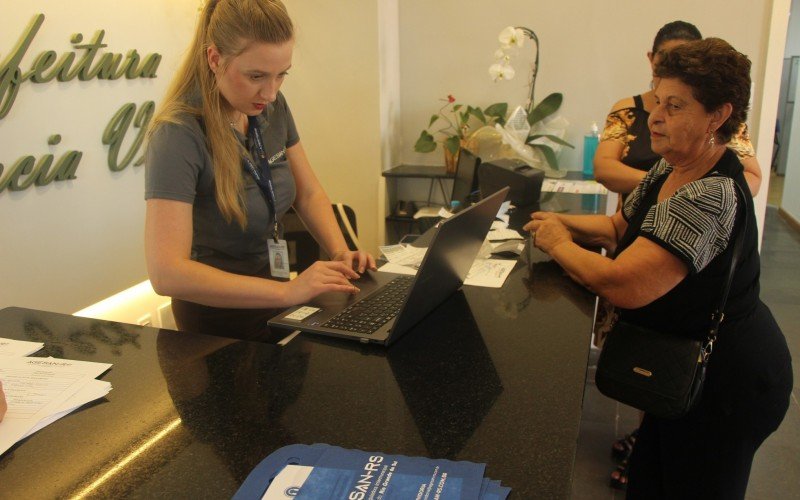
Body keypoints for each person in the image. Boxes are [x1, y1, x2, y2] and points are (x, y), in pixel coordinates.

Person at [524, 38, 792, 498]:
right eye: (656, 100)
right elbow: (616, 227)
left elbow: (623, 284)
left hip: (729, 381)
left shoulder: (712, 193)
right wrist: (559, 220)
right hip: (684, 367)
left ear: (718, 116)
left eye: (675, 106)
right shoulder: (669, 169)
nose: (655, 116)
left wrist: (557, 242)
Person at [144, 0, 375, 340]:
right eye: (256, 76)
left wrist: (341, 253)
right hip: (216, 324)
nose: (270, 92)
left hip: (279, 297)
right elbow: (167, 274)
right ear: (214, 59)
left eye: (281, 74)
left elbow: (308, 193)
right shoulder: (178, 134)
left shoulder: (271, 107)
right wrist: (288, 292)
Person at [593, 21, 762, 199]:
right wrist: (665, 184)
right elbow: (604, 168)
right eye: (667, 58)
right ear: (652, 59)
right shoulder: (627, 111)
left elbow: (752, 177)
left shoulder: (717, 119)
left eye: (675, 106)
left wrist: (697, 194)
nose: (656, 119)